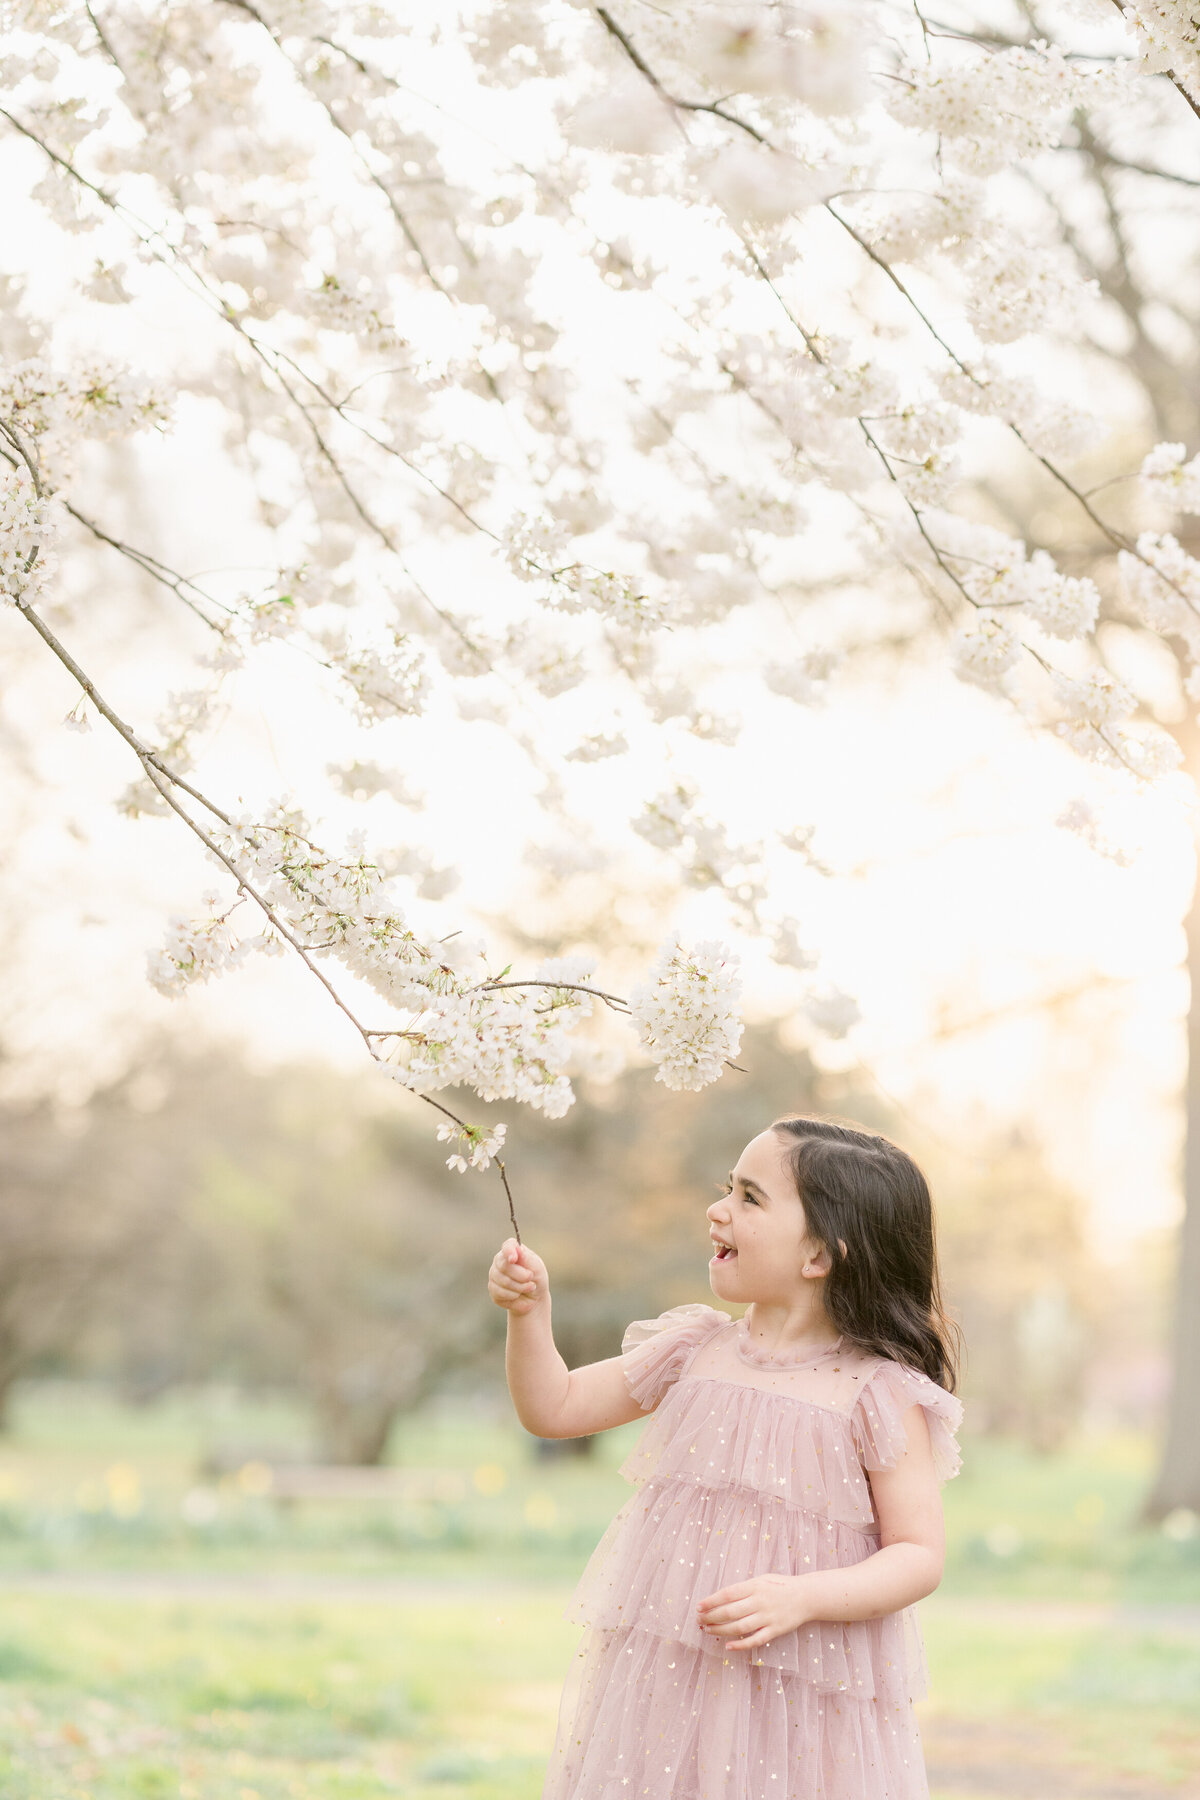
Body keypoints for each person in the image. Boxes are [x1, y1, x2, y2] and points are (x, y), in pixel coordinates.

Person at [487, 1114, 964, 1800]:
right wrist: (529, 1317)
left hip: (804, 1688)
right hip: (672, 1683)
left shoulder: (876, 1395)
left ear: (820, 1255)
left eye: (749, 1197)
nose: (717, 1210)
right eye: (727, 1188)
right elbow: (554, 1407)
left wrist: (802, 1596)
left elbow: (918, 1554)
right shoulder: (693, 1351)